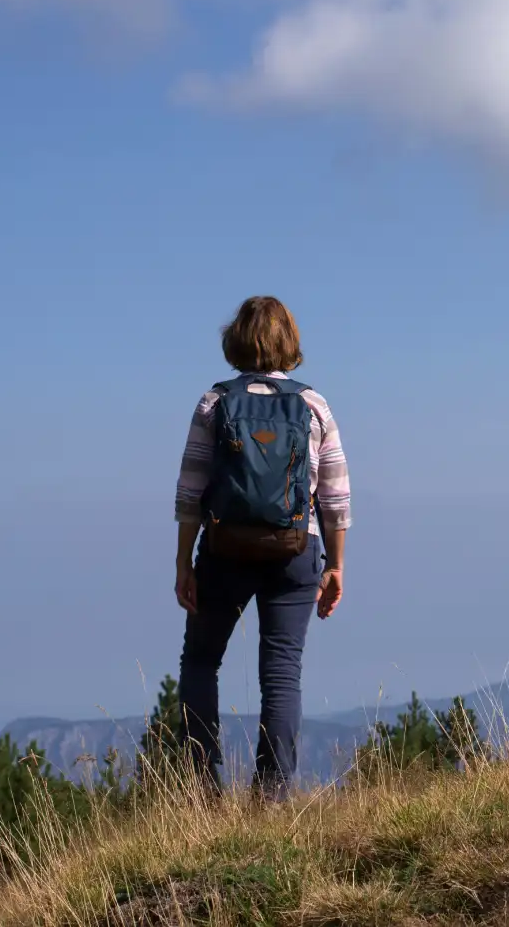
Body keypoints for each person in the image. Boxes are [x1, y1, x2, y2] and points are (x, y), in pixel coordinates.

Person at [174, 296, 349, 801]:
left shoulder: (214, 402)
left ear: (235, 341)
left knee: (202, 663)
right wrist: (335, 566)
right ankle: (271, 799)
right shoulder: (314, 406)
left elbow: (190, 491)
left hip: (224, 550)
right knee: (281, 673)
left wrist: (184, 561)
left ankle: (203, 792)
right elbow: (336, 496)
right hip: (296, 551)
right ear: (288, 343)